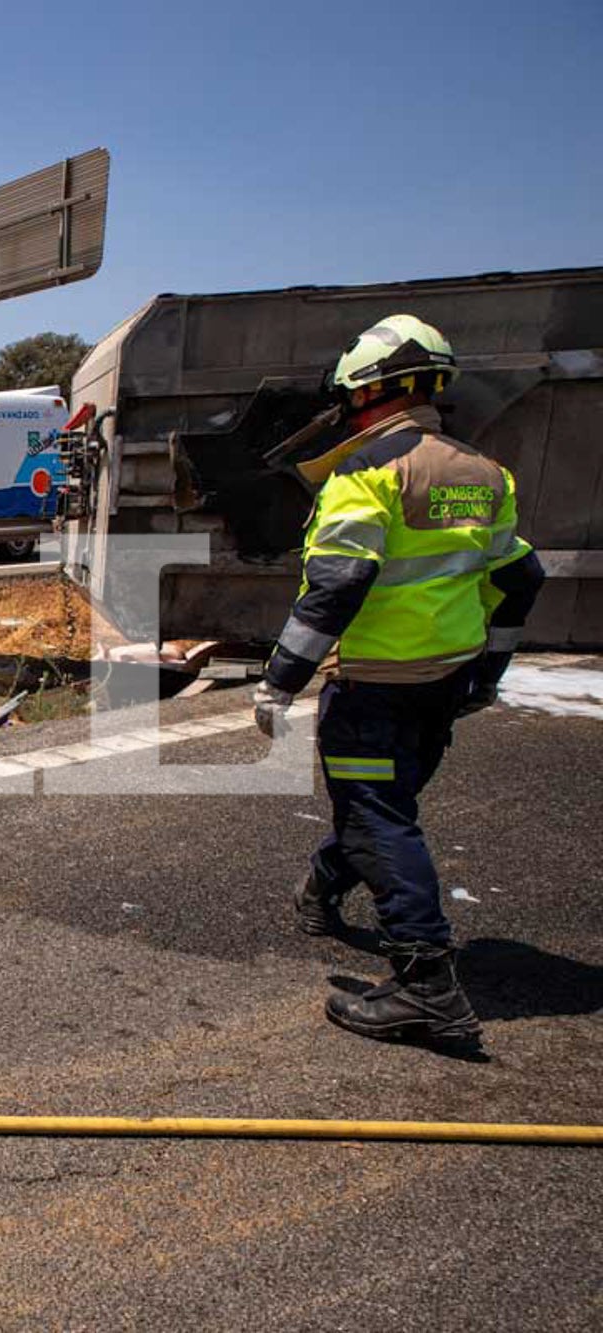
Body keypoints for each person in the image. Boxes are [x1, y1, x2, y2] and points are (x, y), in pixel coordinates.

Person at [251, 314, 545, 1044]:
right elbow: (521, 577)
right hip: (444, 680)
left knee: (378, 814)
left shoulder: (369, 475)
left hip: (375, 683)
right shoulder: (485, 474)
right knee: (385, 802)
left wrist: (278, 680)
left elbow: (336, 587)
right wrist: (491, 668)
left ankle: (427, 985)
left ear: (363, 395)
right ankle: (323, 886)